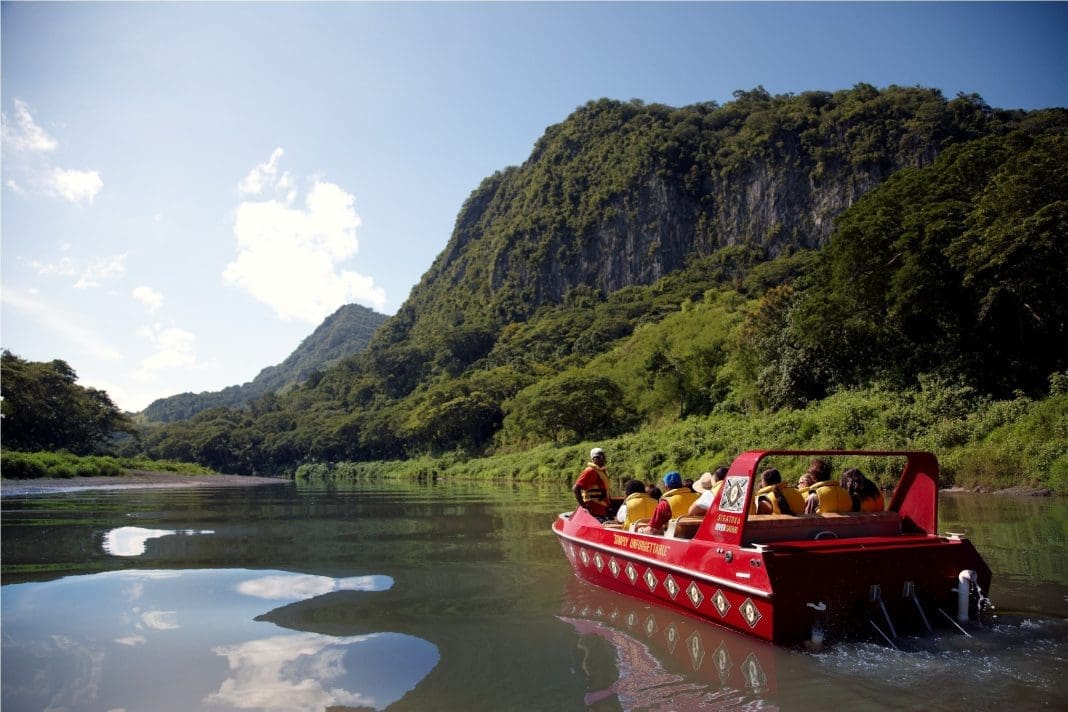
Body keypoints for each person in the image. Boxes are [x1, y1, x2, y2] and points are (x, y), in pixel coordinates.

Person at [573, 447, 611, 521]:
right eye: (599, 457)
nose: (602, 459)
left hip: (602, 510)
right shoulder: (590, 471)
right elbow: (575, 488)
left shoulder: (601, 471)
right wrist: (584, 507)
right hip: (593, 512)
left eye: (603, 457)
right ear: (593, 459)